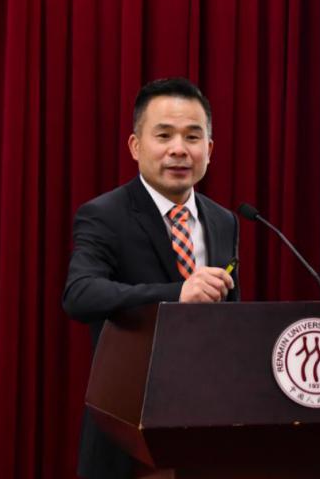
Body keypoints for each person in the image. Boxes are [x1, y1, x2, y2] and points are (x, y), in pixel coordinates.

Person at [63, 77, 238, 479]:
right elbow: (80, 294)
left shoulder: (223, 220)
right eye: (164, 135)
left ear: (209, 150)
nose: (179, 149)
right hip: (128, 430)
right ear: (135, 146)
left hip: (206, 427)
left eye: (192, 136)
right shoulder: (104, 215)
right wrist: (178, 293)